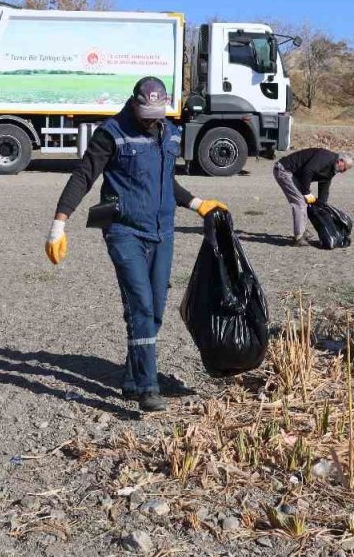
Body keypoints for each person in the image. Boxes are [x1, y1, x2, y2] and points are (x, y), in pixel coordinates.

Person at [45, 77, 227, 412]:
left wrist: (198, 203)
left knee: (155, 309)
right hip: (122, 230)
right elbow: (83, 176)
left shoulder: (169, 132)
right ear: (133, 103)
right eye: (145, 111)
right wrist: (59, 224)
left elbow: (163, 178)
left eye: (157, 112)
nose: (150, 118)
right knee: (141, 306)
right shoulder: (112, 132)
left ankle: (131, 378)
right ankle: (147, 386)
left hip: (162, 231)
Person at [273, 147, 352, 245]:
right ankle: (298, 237)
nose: (343, 172)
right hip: (284, 170)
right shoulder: (326, 157)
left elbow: (324, 186)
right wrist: (306, 192)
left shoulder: (332, 169)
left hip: (294, 174)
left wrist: (322, 205)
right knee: (299, 202)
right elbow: (308, 171)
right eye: (344, 169)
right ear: (340, 161)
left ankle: (301, 230)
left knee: (305, 202)